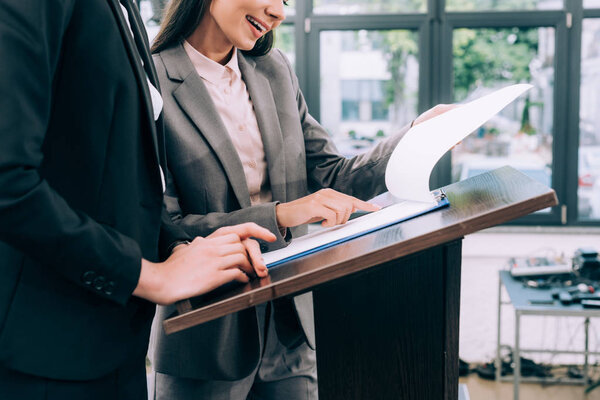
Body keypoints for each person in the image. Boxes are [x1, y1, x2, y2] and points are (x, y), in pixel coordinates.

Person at [149, 0, 454, 398]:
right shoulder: (151, 80)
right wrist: (282, 214)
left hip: (289, 330)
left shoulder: (274, 70)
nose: (279, 11)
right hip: (208, 339)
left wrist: (414, 137)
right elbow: (162, 227)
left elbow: (334, 177)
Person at [0, 0, 276, 399]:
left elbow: (115, 183)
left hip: (115, 347)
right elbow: (8, 181)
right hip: (44, 356)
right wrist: (148, 276)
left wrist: (182, 247)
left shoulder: (125, 9)